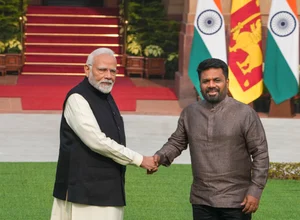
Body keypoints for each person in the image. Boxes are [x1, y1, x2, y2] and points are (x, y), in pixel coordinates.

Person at [149, 58, 269, 220]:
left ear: (227, 82)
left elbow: (260, 154)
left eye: (217, 80)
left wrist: (255, 190)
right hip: (201, 200)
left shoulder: (244, 113)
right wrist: (159, 156)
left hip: (237, 201)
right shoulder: (190, 113)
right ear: (200, 84)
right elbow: (177, 142)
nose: (211, 85)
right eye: (206, 81)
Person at [50, 48, 157, 220]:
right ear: (87, 69)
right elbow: (97, 141)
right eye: (102, 70)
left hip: (108, 189)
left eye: (113, 71)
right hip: (85, 193)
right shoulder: (77, 98)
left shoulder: (105, 94)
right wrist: (139, 159)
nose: (108, 75)